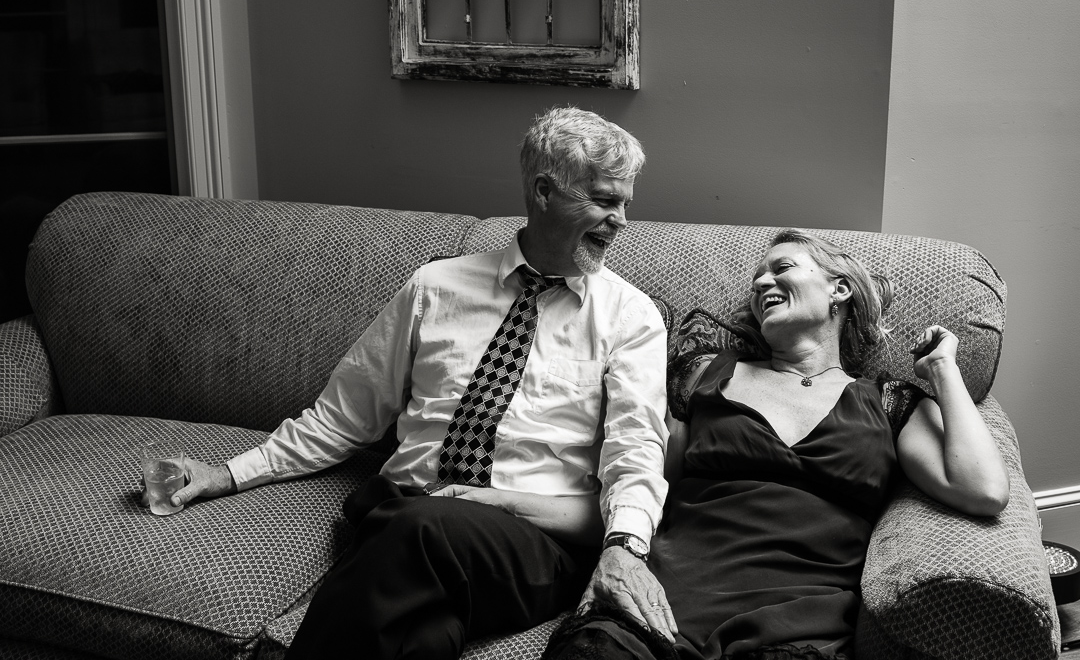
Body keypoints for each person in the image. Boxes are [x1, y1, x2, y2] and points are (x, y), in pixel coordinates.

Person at [155, 107, 670, 659]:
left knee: (412, 529)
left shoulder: (628, 318)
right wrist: (229, 474)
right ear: (544, 192)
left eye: (624, 203)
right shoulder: (435, 287)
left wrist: (625, 547)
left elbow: (636, 451)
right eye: (604, 199)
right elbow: (342, 416)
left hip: (529, 545)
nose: (620, 220)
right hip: (407, 515)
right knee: (418, 637)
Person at [543, 229, 1010, 660]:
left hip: (796, 635)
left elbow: (983, 489)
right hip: (652, 617)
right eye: (756, 278)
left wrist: (944, 370)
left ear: (839, 290)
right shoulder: (705, 374)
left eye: (782, 268)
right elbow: (640, 487)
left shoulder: (886, 401)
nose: (763, 281)